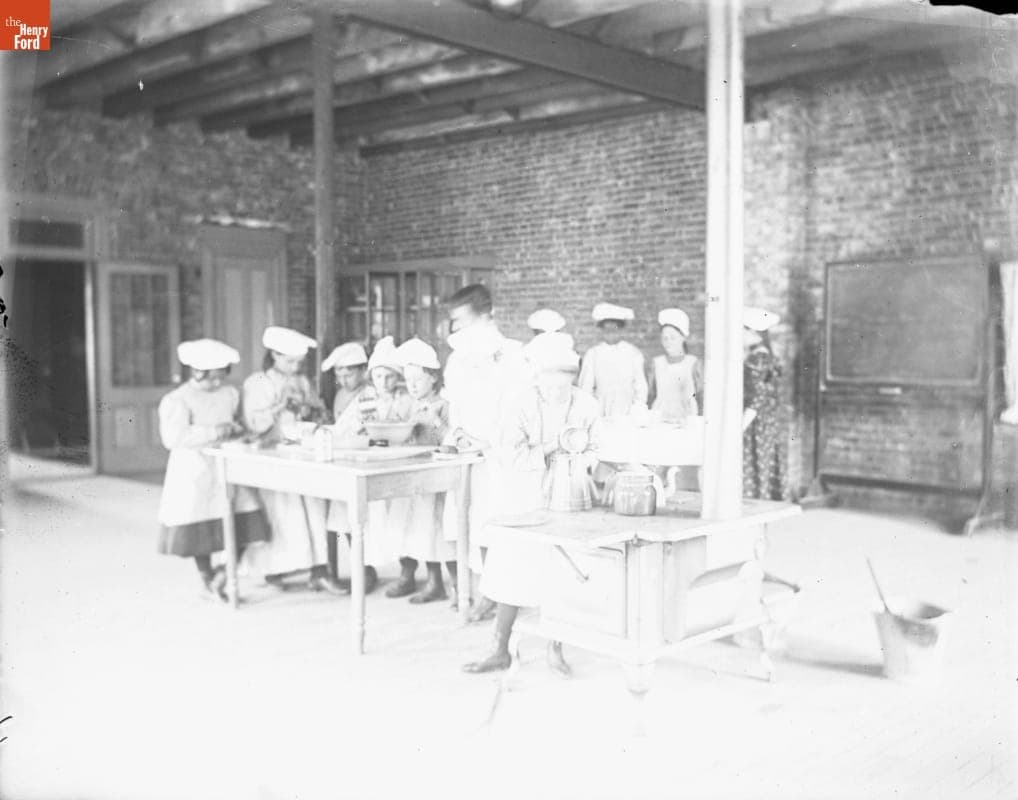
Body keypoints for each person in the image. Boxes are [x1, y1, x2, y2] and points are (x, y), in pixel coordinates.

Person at [462, 331, 600, 674]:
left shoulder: (586, 404)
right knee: (512, 568)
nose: (557, 388)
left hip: (569, 494)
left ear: (572, 375)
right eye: (550, 380)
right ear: (537, 377)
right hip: (522, 494)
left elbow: (597, 448)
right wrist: (553, 448)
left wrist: (582, 461)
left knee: (562, 569)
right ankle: (499, 647)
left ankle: (556, 648)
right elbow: (510, 455)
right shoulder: (521, 403)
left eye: (565, 379)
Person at [441, 284, 531, 623]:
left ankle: (502, 593)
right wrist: (458, 433)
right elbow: (454, 404)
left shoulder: (511, 354)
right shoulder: (456, 358)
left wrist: (490, 440)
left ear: (486, 314)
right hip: (469, 454)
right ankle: (485, 591)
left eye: (462, 319)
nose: (457, 327)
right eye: (455, 321)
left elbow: (519, 407)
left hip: (501, 455)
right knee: (473, 524)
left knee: (499, 523)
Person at [156, 339, 270, 602]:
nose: (218, 384)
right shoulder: (178, 399)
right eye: (212, 379)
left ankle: (224, 572)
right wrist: (212, 431)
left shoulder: (230, 394)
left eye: (221, 377)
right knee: (200, 525)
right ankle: (207, 577)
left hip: (227, 464)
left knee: (246, 516)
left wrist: (238, 430)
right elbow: (173, 437)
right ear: (197, 373)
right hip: (194, 468)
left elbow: (235, 421)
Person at [239, 326, 345, 594]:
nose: (295, 367)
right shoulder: (258, 382)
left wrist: (311, 409)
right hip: (272, 453)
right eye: (289, 361)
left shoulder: (302, 381)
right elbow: (253, 422)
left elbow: (319, 411)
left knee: (314, 509)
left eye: (299, 362)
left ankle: (319, 570)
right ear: (273, 355)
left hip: (302, 451)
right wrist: (280, 405)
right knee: (283, 514)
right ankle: (275, 570)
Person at [329, 336, 414, 594]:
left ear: (397, 377)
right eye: (378, 376)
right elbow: (344, 426)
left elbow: (413, 428)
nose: (383, 382)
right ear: (371, 376)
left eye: (389, 376)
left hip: (398, 464)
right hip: (370, 461)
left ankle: (407, 573)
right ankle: (364, 569)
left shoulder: (404, 398)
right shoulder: (364, 398)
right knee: (355, 516)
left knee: (402, 519)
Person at [384, 337, 457, 604]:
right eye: (408, 378)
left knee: (441, 535)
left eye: (418, 379)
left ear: (434, 380)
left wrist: (437, 420)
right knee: (423, 532)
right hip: (418, 478)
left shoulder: (444, 405)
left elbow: (453, 439)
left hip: (439, 480)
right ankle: (433, 582)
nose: (412, 385)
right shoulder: (411, 406)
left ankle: (458, 588)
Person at [743, 307, 789, 501]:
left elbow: (758, 397)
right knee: (763, 465)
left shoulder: (758, 358)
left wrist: (741, 426)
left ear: (754, 333)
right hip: (767, 422)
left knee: (754, 465)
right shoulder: (766, 356)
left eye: (743, 330)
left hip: (755, 425)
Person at [578, 302, 648, 417]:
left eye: (614, 328)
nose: (610, 332)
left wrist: (637, 410)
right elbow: (586, 387)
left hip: (628, 412)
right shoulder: (593, 354)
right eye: (606, 329)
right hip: (601, 411)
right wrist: (590, 412)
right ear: (601, 330)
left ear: (621, 329)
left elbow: (641, 387)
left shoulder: (633, 353)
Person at [647, 308, 702, 423]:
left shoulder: (693, 363)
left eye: (673, 337)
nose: (668, 342)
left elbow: (700, 395)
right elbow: (651, 395)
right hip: (660, 420)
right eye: (664, 338)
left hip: (685, 420)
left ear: (683, 337)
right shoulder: (656, 363)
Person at [321, 341, 369, 419]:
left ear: (363, 370)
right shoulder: (340, 394)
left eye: (349, 376)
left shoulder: (370, 393)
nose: (343, 382)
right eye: (339, 377)